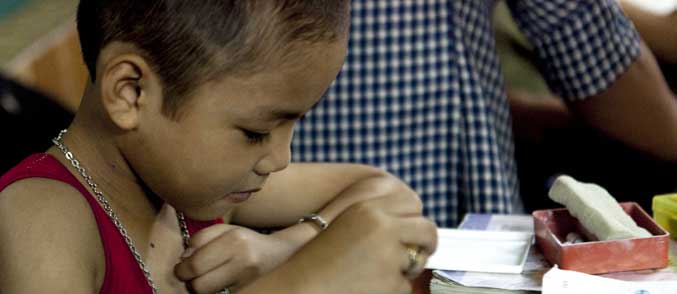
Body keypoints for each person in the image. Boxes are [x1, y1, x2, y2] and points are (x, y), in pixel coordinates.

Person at [0, 1, 437, 294]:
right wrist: (301, 288)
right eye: (256, 132)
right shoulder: (41, 214)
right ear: (130, 92)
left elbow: (392, 199)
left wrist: (282, 249)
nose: (279, 159)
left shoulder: (190, 194)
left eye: (293, 124)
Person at [290, 0, 677, 228]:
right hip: (443, 223)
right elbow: (582, 30)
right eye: (263, 132)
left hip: (430, 230)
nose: (276, 154)